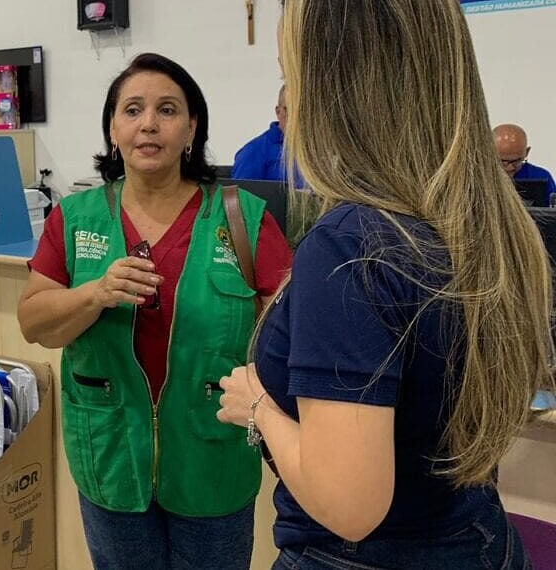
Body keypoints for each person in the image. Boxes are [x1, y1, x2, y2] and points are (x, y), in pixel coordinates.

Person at [217, 2, 552, 569]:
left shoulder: (351, 244)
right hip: (478, 535)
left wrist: (259, 409)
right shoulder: (493, 225)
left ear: (333, 88)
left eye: (290, 76)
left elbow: (350, 505)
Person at [18, 53, 293, 570]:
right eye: (133, 109)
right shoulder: (74, 220)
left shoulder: (242, 219)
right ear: (112, 128)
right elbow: (35, 325)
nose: (149, 123)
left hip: (213, 456)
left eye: (167, 110)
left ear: (192, 129)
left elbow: (287, 336)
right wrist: (94, 293)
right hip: (111, 456)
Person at [232, 85, 299, 184]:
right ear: (278, 111)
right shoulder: (253, 152)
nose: (296, 116)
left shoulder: (315, 152)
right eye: (289, 110)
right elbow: (239, 197)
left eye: (301, 111)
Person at [493, 124, 556, 198]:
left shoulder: (541, 177)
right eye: (502, 161)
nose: (510, 168)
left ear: (526, 152)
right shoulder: (479, 176)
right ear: (489, 153)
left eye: (516, 161)